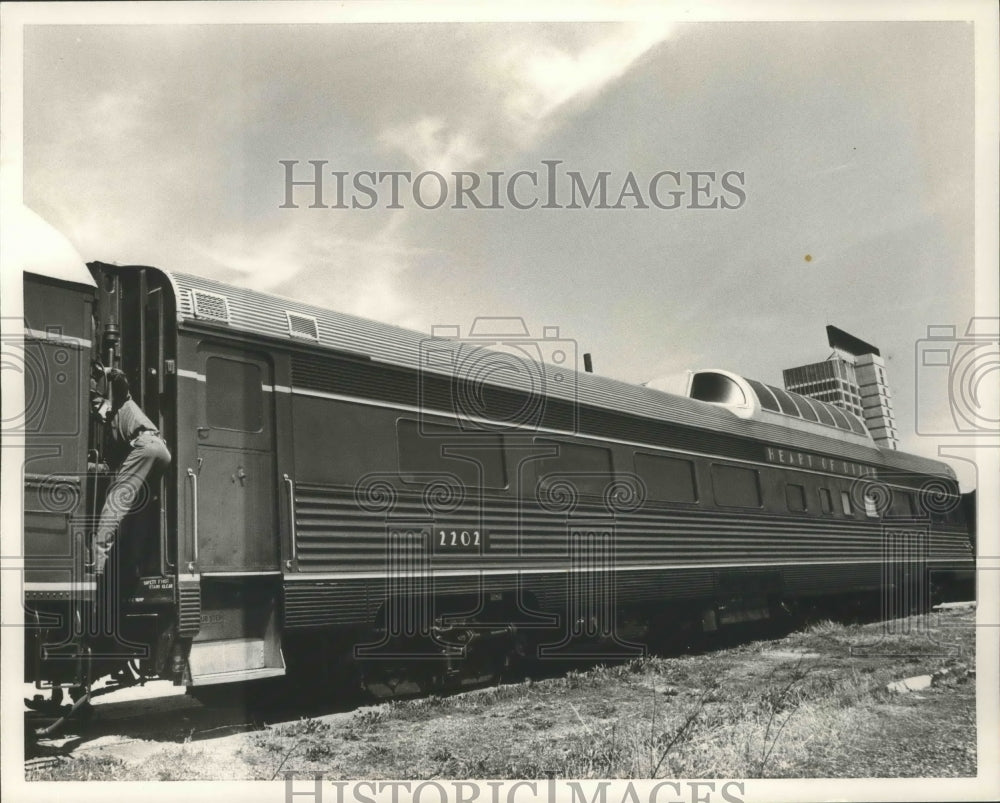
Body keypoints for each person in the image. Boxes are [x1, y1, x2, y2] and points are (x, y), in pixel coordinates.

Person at [89, 363, 171, 577]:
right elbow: (108, 465)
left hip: (145, 446)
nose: (96, 411)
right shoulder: (113, 427)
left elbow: (119, 378)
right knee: (139, 509)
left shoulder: (121, 401)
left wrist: (104, 372)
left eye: (97, 404)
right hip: (159, 450)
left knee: (115, 501)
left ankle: (97, 565)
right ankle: (132, 566)